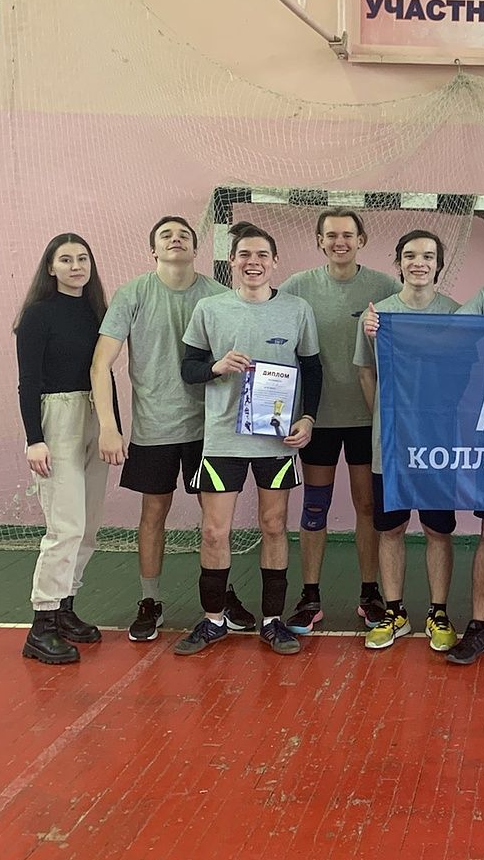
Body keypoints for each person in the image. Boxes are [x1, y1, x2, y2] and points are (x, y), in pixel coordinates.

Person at [90, 216, 255, 642]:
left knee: (215, 520)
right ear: (153, 250)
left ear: (196, 249)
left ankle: (222, 595)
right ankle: (150, 600)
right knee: (153, 513)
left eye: (184, 235)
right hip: (155, 428)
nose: (175, 239)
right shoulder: (133, 294)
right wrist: (109, 426)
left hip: (210, 429)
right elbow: (100, 363)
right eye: (166, 235)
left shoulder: (217, 295)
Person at [174, 224, 321, 657]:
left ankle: (273, 621)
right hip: (223, 440)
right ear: (232, 261)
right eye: (244, 255)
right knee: (214, 531)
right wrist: (216, 367)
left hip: (276, 442)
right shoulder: (209, 308)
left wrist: (308, 418)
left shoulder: (297, 309)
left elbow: (313, 370)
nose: (252, 262)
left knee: (274, 526)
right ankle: (214, 619)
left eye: (261, 255)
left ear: (274, 262)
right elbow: (189, 369)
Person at [278, 209, 401, 635]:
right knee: (315, 506)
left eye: (348, 234)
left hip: (368, 417)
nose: (339, 241)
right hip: (317, 418)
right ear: (320, 241)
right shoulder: (297, 287)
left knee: (367, 506)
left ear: (361, 240)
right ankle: (310, 596)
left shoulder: (385, 287)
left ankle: (370, 593)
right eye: (331, 235)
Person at [353, 230, 462, 652]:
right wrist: (386, 419)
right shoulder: (376, 316)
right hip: (392, 446)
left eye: (428, 256)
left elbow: (466, 375)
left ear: (439, 265)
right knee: (391, 529)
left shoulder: (456, 314)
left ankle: (439, 612)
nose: (419, 263)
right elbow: (366, 373)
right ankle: (395, 612)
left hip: (438, 446)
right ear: (398, 263)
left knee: (438, 530)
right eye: (411, 255)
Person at [14, 234, 113, 665]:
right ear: (51, 268)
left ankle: (65, 607)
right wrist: (34, 439)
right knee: (66, 525)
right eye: (66, 259)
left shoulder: (97, 313)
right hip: (57, 420)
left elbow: (104, 373)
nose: (76, 266)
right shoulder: (37, 316)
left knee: (88, 524)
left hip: (95, 415)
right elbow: (28, 382)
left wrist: (111, 428)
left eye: (83, 258)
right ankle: (42, 625)